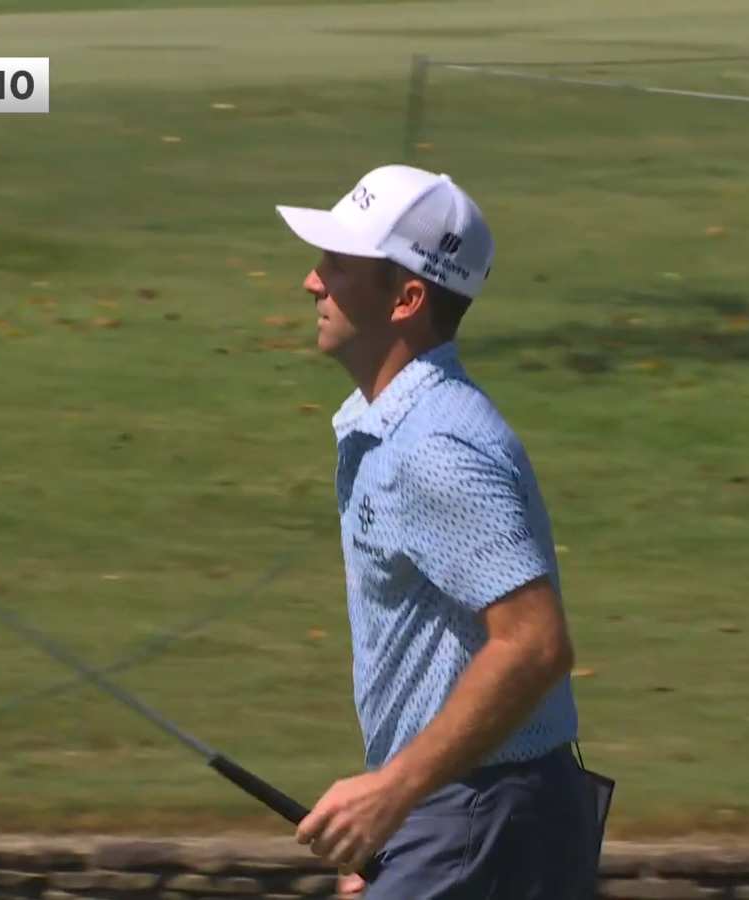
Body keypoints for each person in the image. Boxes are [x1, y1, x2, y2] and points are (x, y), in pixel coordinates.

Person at [275, 165, 599, 898]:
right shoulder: (401, 427)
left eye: (337, 265)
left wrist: (395, 794)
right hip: (466, 817)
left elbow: (535, 643)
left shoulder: (435, 449)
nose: (311, 282)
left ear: (408, 298)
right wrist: (399, 813)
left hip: (483, 822)